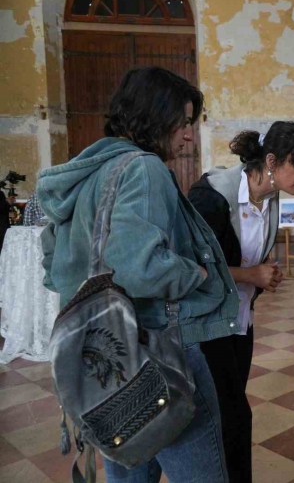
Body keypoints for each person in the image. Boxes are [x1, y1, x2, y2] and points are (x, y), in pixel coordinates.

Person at [37, 66, 237, 483]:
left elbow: (52, 260)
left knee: (129, 471)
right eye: (183, 123)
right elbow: (140, 267)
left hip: (104, 355)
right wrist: (194, 272)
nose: (188, 135)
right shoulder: (144, 169)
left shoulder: (90, 170)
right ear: (155, 115)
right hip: (160, 347)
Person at [188, 121, 294, 483]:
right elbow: (190, 269)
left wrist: (262, 275)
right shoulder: (211, 197)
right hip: (206, 325)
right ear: (272, 161)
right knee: (231, 417)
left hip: (240, 321)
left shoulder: (270, 200)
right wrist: (251, 275)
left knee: (230, 413)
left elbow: (248, 258)